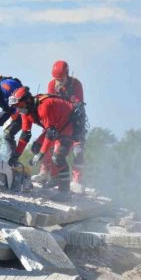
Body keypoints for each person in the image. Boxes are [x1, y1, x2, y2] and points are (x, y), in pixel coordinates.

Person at [9, 87, 77, 202]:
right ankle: (54, 177)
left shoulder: (43, 107)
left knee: (58, 157)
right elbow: (25, 134)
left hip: (70, 124)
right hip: (56, 126)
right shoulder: (25, 111)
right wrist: (15, 155)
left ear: (27, 101)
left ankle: (65, 192)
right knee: (36, 147)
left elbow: (50, 134)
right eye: (17, 107)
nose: (18, 110)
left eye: (20, 106)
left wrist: (40, 154)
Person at [44, 60, 86, 189]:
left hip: (75, 121)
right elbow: (50, 103)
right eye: (56, 79)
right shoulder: (52, 84)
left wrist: (72, 102)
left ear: (67, 75)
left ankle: (77, 181)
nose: (58, 81)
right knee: (52, 148)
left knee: (78, 151)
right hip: (60, 122)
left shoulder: (76, 84)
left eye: (61, 79)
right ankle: (50, 174)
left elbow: (78, 104)